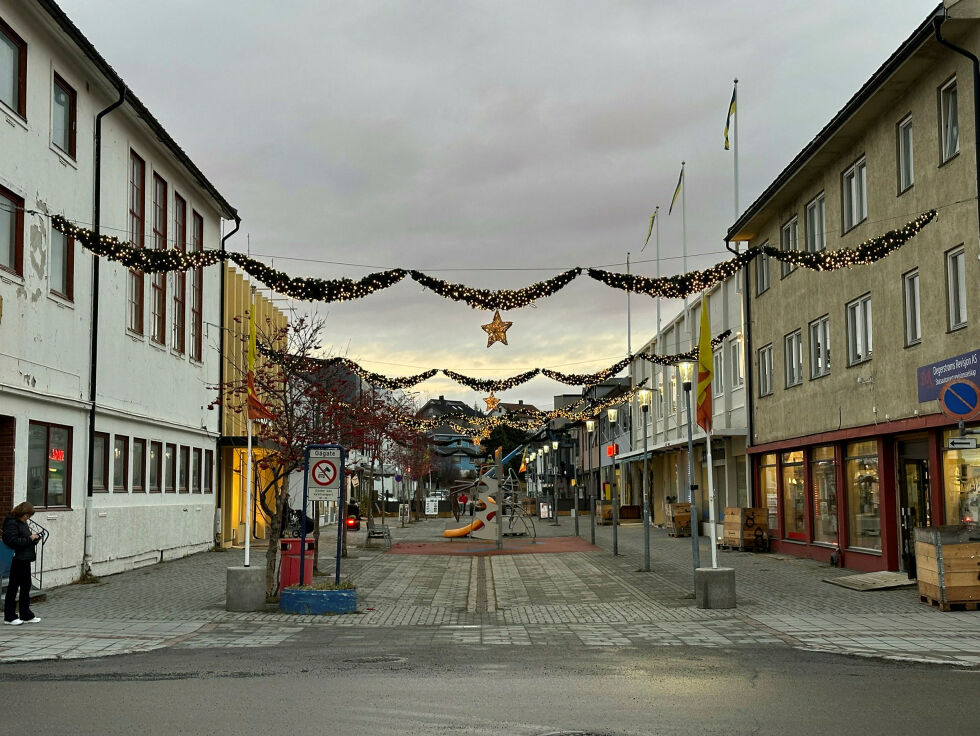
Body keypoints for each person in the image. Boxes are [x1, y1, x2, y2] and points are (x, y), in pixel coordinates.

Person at [3, 501, 42, 626]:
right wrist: (29, 539)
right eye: (27, 515)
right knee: (13, 587)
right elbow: (11, 540)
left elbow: (25, 539)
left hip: (25, 558)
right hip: (17, 559)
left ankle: (25, 614)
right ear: (22, 512)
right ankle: (9, 616)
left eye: (29, 516)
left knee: (26, 586)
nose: (28, 518)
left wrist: (34, 539)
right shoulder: (11, 523)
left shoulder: (22, 523)